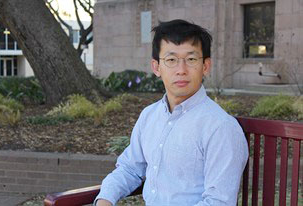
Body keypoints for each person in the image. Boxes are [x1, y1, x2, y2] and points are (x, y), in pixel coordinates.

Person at [95, 19, 249, 206]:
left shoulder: (220, 127)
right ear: (156, 67)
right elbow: (130, 169)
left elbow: (218, 202)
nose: (181, 70)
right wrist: (104, 199)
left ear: (206, 67)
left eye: (191, 59)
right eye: (171, 60)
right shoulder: (149, 116)